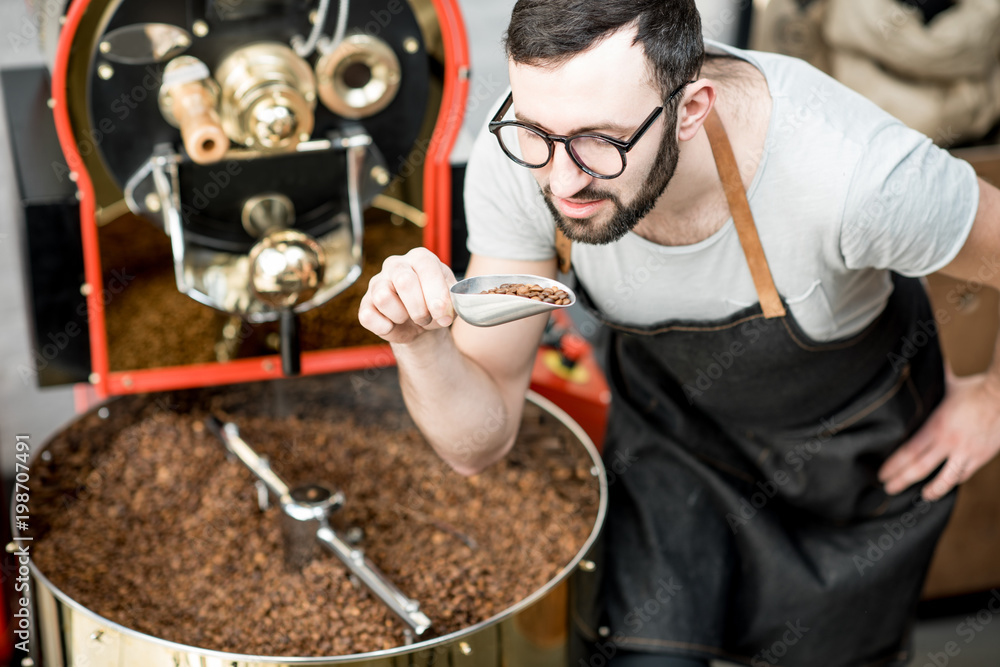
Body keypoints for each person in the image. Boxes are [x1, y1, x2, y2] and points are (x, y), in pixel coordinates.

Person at [358, 1, 1000, 665]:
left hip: (846, 477)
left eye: (599, 142)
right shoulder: (529, 167)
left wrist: (990, 403)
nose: (562, 178)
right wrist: (420, 343)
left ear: (691, 108)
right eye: (535, 131)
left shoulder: (854, 177)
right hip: (671, 449)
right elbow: (478, 443)